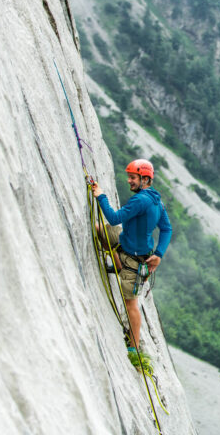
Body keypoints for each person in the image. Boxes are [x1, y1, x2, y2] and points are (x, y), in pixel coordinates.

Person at [92, 158, 172, 372]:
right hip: (129, 244)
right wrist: (159, 254)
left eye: (133, 177)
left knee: (131, 305)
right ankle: (118, 264)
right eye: (129, 176)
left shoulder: (141, 201)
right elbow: (166, 229)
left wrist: (101, 196)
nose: (129, 181)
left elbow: (114, 216)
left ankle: (134, 348)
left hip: (134, 260)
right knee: (101, 229)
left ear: (145, 179)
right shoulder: (156, 201)